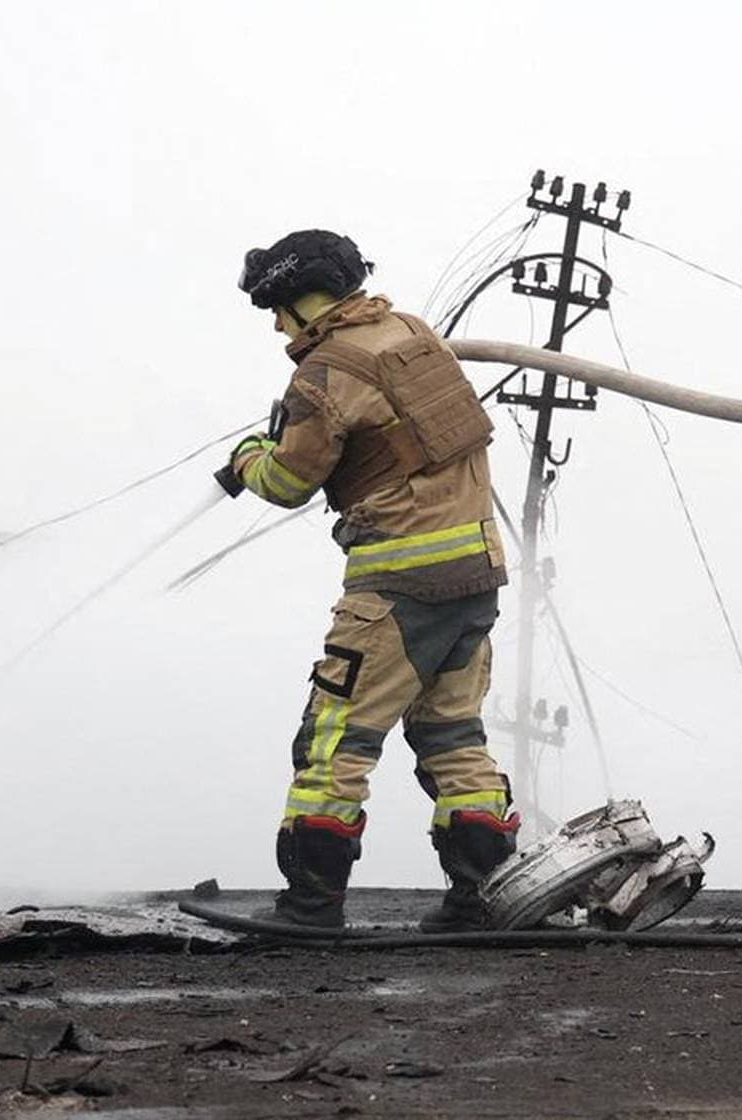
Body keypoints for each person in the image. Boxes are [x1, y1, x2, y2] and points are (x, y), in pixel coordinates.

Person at [220, 229, 518, 932]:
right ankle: (482, 901)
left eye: (276, 308)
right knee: (453, 736)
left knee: (334, 739)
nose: (274, 325)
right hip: (475, 577)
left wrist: (247, 458)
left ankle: (310, 906)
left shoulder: (325, 372)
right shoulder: (412, 334)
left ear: (302, 301)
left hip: (398, 587)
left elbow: (290, 481)